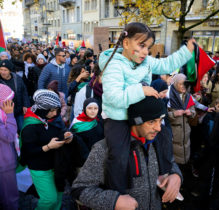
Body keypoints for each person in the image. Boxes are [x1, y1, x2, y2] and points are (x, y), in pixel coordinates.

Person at [99, 22, 195, 193]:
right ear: (126, 43)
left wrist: (185, 52)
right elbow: (114, 98)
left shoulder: (146, 62)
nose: (145, 51)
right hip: (118, 116)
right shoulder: (114, 65)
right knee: (119, 154)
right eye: (141, 45)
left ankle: (163, 174)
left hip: (139, 113)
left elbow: (167, 64)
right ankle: (118, 192)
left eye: (148, 47)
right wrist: (141, 90)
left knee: (164, 133)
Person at [71, 96, 182, 209]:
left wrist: (176, 174)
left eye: (160, 120)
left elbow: (170, 161)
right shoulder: (105, 148)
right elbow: (79, 189)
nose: (158, 128)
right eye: (152, 121)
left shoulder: (158, 140)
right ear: (136, 121)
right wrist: (114, 201)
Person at [20, 89, 73, 210]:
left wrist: (65, 136)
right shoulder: (30, 126)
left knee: (58, 195)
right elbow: (28, 152)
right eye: (52, 110)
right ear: (43, 109)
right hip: (40, 169)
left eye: (56, 110)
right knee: (49, 199)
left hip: (54, 165)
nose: (54, 114)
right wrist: (48, 147)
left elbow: (52, 133)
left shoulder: (44, 119)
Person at [0, 60, 30, 131]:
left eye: (5, 70)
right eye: (1, 69)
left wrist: (26, 105)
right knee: (10, 131)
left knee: (22, 130)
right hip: (5, 114)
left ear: (10, 70)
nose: (3, 72)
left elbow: (24, 92)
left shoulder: (17, 78)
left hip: (19, 111)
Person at [167, 73, 196, 164]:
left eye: (185, 84)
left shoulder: (188, 96)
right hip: (174, 135)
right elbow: (162, 116)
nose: (183, 86)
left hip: (186, 135)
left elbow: (193, 111)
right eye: (180, 84)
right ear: (175, 84)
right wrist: (173, 114)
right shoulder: (168, 97)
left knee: (185, 155)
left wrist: (190, 113)